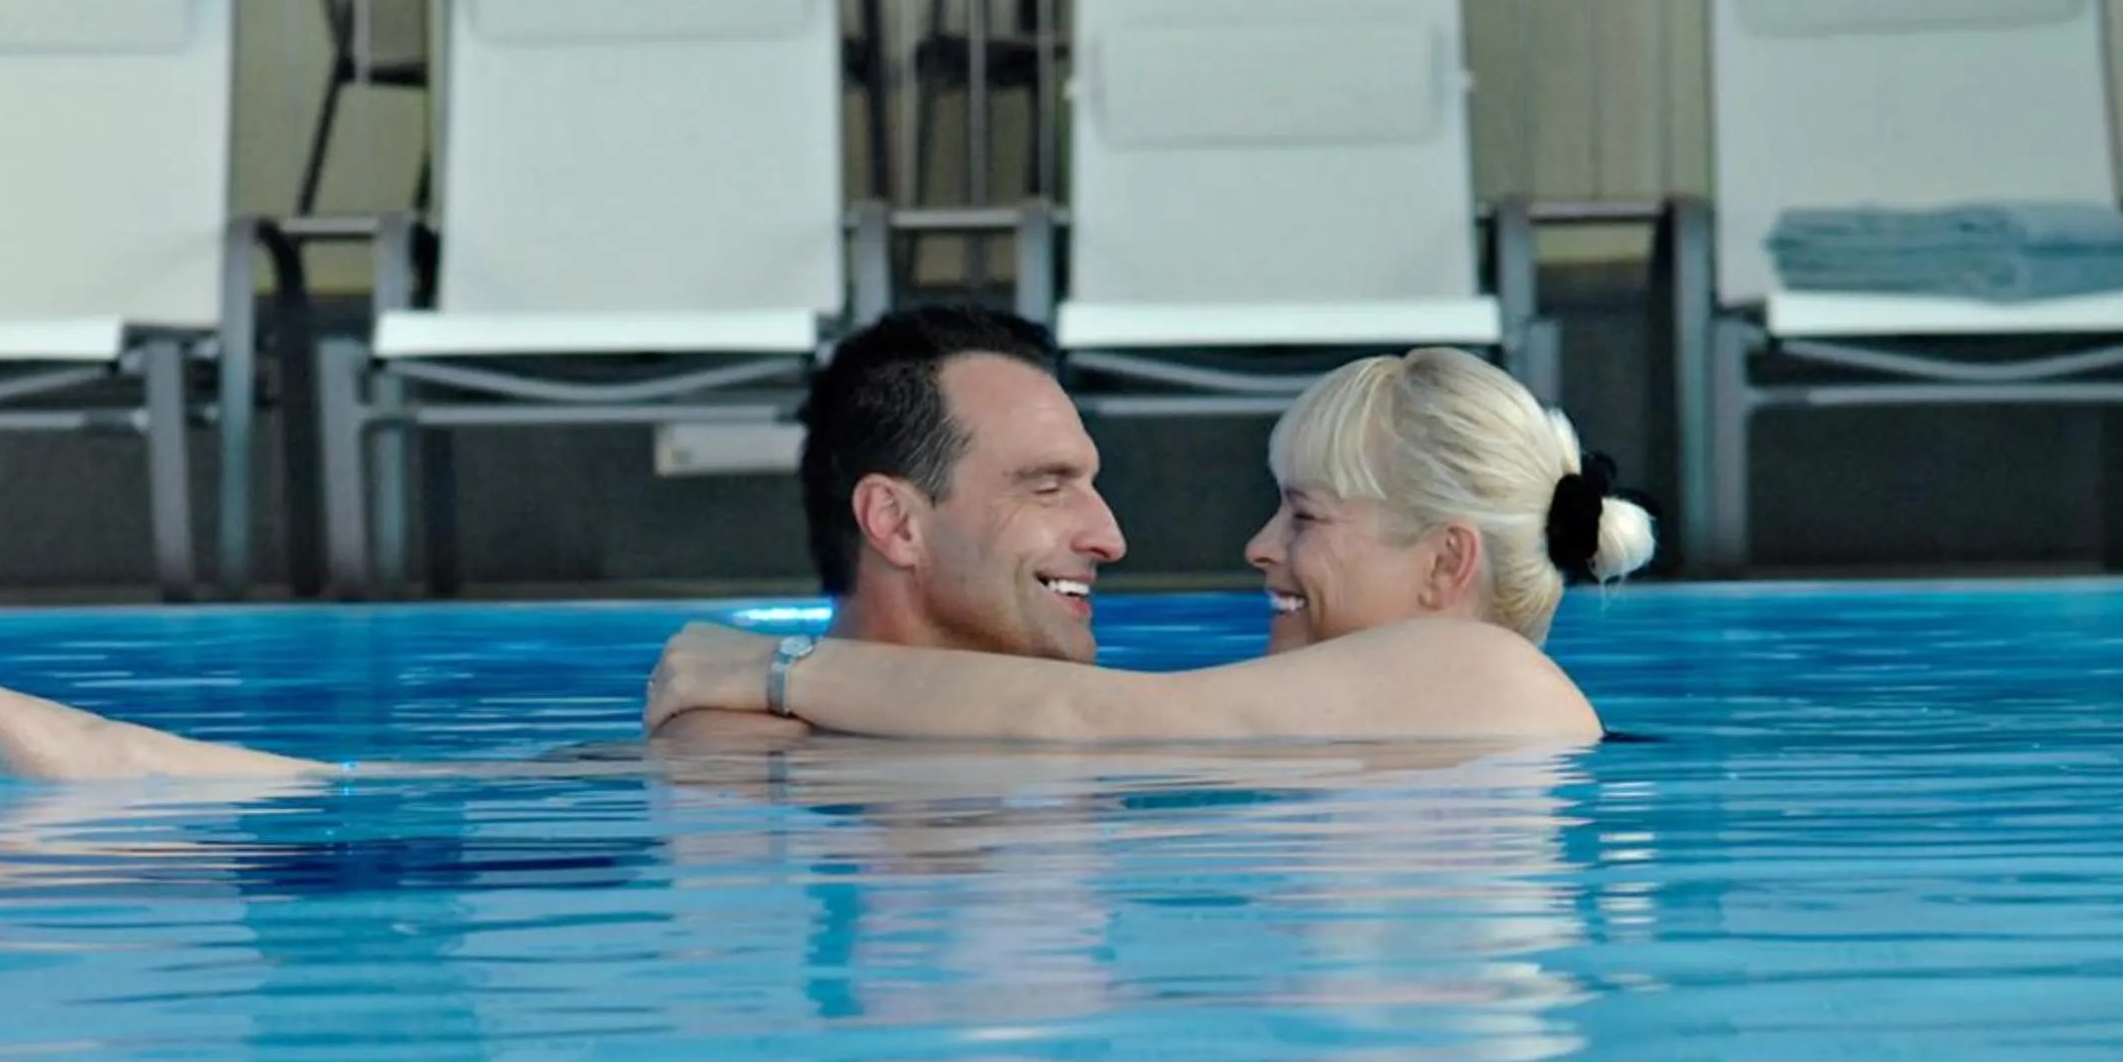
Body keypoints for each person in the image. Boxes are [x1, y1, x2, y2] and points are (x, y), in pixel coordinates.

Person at [0, 303, 1123, 779]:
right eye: (1050, 485)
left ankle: (122, 769)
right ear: (894, 520)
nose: (1110, 535)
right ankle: (119, 768)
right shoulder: (744, 748)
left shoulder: (753, 704)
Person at [645, 345, 1654, 749]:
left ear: (1447, 564)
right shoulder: (1402, 708)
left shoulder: (1484, 668)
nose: (1260, 548)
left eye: (1306, 517)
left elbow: (1079, 718)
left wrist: (772, 670)